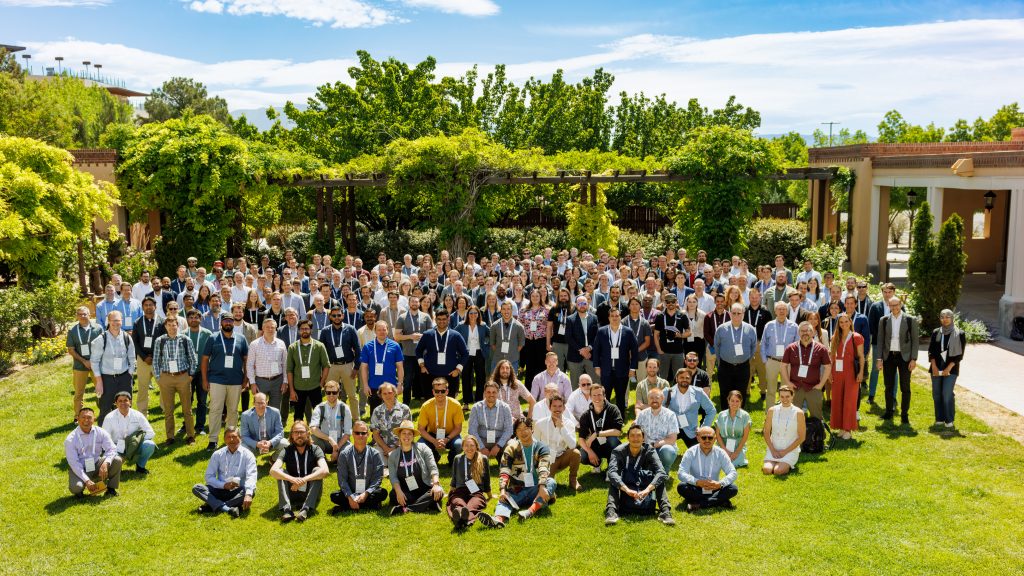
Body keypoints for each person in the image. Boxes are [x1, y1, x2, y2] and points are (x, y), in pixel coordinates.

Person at [478, 418, 555, 527]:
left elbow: (544, 468)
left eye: (526, 428)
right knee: (505, 498)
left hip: (536, 488)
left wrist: (542, 487)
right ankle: (498, 519)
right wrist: (503, 490)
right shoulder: (511, 448)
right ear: (515, 433)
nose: (523, 432)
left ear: (532, 429)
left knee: (551, 482)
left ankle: (530, 511)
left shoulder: (541, 447)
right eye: (519, 429)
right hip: (518, 489)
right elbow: (504, 470)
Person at [604, 424, 675, 525]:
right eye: (632, 435)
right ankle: (611, 512)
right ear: (627, 438)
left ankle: (665, 512)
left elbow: (661, 472)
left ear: (643, 438)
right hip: (626, 484)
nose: (635, 438)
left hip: (643, 483)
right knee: (614, 479)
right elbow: (612, 472)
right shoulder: (618, 451)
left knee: (659, 479)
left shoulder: (649, 450)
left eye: (638, 435)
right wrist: (626, 489)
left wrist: (648, 489)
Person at [202, 313, 249, 450]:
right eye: (225, 321)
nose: (228, 323)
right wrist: (205, 379)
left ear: (234, 322)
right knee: (215, 409)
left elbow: (246, 360)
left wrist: (245, 378)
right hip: (216, 379)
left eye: (230, 320)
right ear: (221, 323)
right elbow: (205, 360)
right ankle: (213, 439)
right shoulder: (212, 338)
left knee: (233, 410)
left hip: (236, 380)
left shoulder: (241, 339)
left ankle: (231, 438)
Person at [152, 315, 199, 445]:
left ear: (178, 326)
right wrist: (158, 377)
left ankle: (190, 435)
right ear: (165, 326)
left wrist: (190, 376)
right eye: (169, 325)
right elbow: (155, 361)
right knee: (168, 410)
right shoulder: (160, 341)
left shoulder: (185, 339)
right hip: (166, 377)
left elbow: (193, 360)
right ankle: (170, 437)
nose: (172, 328)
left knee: (187, 409)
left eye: (174, 325)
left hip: (183, 376)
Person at [270, 421, 329, 522]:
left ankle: (305, 509)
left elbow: (325, 471)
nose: (299, 435)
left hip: (310, 492)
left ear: (307, 433)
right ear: (292, 435)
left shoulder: (315, 449)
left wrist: (304, 480)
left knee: (318, 470)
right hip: (292, 490)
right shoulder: (286, 450)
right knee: (280, 471)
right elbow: (273, 471)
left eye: (302, 432)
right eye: (296, 432)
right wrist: (293, 479)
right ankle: (287, 510)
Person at [193, 426, 256, 517]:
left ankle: (212, 506)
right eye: (228, 437)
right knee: (197, 487)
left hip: (237, 491)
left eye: (234, 437)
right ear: (224, 440)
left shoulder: (248, 455)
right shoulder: (217, 454)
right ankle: (228, 508)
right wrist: (223, 485)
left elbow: (252, 476)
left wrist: (248, 494)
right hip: (219, 489)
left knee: (250, 491)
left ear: (240, 438)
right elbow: (209, 476)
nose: (231, 440)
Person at [387, 420, 445, 515]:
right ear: (399, 436)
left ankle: (406, 508)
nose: (406, 436)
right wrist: (398, 491)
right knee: (393, 495)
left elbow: (433, 468)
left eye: (409, 434)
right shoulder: (393, 455)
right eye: (404, 433)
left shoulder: (423, 448)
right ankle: (429, 504)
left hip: (425, 488)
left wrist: (436, 484)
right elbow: (393, 477)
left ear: (413, 436)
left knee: (438, 492)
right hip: (407, 491)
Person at [877, 296, 920, 424]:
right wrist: (879, 359)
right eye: (891, 305)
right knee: (888, 386)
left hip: (905, 357)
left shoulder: (910, 320)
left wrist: (913, 359)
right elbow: (880, 341)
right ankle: (889, 412)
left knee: (905, 387)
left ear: (900, 305)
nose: (894, 308)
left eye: (896, 305)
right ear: (888, 306)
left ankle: (904, 414)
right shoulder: (883, 320)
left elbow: (915, 341)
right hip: (889, 356)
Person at [330, 421, 388, 513]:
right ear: (353, 434)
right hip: (351, 491)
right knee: (334, 496)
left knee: (383, 493)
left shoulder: (375, 454)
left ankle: (348, 506)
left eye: (363, 433)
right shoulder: (344, 454)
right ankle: (369, 505)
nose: (360, 435)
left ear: (368, 434)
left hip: (368, 492)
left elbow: (378, 478)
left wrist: (366, 494)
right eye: (357, 433)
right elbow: (342, 479)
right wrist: (350, 496)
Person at [677, 426, 739, 511]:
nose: (707, 440)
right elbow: (681, 473)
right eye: (703, 437)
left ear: (715, 439)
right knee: (682, 486)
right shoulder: (690, 452)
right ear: (698, 438)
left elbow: (733, 472)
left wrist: (720, 484)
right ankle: (719, 501)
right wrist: (696, 482)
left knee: (733, 488)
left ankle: (698, 504)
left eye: (710, 438)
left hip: (715, 487)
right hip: (696, 487)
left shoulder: (721, 453)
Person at [90, 310, 136, 423]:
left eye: (118, 321)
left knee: (125, 408)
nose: (116, 323)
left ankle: (124, 436)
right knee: (105, 410)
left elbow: (131, 358)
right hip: (107, 379)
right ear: (109, 321)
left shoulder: (126, 337)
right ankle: (103, 437)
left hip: (124, 377)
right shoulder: (101, 339)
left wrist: (129, 374)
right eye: (113, 321)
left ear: (122, 321)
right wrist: (99, 381)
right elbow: (94, 361)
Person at [66, 407, 122, 497]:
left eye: (89, 417)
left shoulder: (100, 432)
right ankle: (80, 491)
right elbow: (74, 463)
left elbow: (112, 449)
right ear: (78, 419)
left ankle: (111, 489)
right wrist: (86, 480)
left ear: (94, 419)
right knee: (76, 487)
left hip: (96, 464)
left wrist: (106, 463)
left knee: (117, 460)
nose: (86, 420)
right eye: (83, 417)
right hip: (80, 468)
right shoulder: (70, 439)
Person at [318, 306, 362, 421]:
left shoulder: (351, 329)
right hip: (331, 366)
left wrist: (356, 368)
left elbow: (358, 349)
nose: (337, 317)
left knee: (352, 395)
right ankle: (333, 418)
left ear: (343, 315)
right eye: (334, 315)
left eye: (339, 315)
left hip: (348, 365)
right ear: (330, 317)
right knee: (331, 394)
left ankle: (356, 419)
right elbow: (321, 352)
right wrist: (323, 369)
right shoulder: (325, 331)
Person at [781, 321, 832, 420]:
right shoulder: (790, 348)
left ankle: (817, 435)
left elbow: (828, 367)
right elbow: (783, 366)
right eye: (802, 331)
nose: (805, 333)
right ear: (798, 333)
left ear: (812, 333)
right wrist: (788, 382)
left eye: (808, 330)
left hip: (814, 388)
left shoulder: (821, 349)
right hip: (795, 388)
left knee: (817, 416)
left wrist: (821, 385)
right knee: (793, 417)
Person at [593, 307, 639, 415]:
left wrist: (632, 368)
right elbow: (596, 350)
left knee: (620, 397)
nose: (614, 318)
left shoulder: (628, 331)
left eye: (617, 316)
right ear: (608, 318)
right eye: (612, 316)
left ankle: (619, 419)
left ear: (620, 317)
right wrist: (596, 366)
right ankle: (605, 418)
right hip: (606, 370)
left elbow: (635, 351)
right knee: (606, 396)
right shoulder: (601, 331)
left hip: (622, 370)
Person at [416, 309, 469, 402]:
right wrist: (422, 365)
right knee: (430, 401)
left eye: (444, 319)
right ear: (435, 320)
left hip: (450, 375)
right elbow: (418, 350)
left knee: (450, 402)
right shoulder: (427, 334)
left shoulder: (456, 335)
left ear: (448, 319)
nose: (441, 321)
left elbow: (465, 353)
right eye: (439, 319)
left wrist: (458, 369)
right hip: (430, 374)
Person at [713, 303, 758, 409]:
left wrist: (744, 360)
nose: (736, 315)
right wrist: (722, 361)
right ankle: (725, 417)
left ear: (743, 314)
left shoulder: (750, 329)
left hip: (743, 367)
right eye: (734, 313)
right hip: (725, 367)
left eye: (739, 313)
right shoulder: (722, 329)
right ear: (729, 313)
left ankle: (739, 417)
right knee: (725, 393)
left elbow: (753, 347)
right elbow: (717, 346)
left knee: (741, 393)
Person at [533, 394, 581, 491]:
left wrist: (562, 428)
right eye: (554, 406)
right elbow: (534, 444)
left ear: (564, 408)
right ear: (549, 407)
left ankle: (573, 480)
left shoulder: (569, 424)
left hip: (562, 457)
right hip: (547, 459)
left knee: (576, 453)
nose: (557, 409)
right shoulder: (540, 423)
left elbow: (572, 445)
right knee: (548, 483)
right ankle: (548, 477)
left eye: (560, 406)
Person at [100, 395, 156, 476]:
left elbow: (150, 432)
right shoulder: (109, 417)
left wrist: (135, 443)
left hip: (134, 444)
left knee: (149, 445)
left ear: (130, 402)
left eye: (125, 400)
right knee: (113, 467)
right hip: (116, 446)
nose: (123, 403)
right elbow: (104, 438)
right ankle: (117, 468)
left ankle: (140, 467)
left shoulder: (138, 415)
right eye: (120, 401)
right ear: (115, 403)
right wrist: (114, 449)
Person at [286, 319, 330, 423]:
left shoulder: (319, 346)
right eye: (302, 329)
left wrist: (322, 382)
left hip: (315, 386)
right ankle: (298, 435)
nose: (304, 331)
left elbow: (326, 366)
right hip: (298, 387)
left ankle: (319, 436)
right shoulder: (292, 347)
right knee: (298, 415)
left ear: (311, 330)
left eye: (306, 328)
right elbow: (289, 370)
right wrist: (291, 390)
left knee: (318, 414)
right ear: (298, 331)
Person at [830, 314, 865, 440]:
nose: (843, 324)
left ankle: (848, 429)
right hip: (837, 372)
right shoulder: (835, 337)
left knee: (849, 400)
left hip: (851, 372)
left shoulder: (857, 337)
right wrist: (829, 372)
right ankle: (840, 427)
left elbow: (861, 356)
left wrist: (861, 372)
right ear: (838, 324)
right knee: (837, 399)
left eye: (846, 321)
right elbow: (832, 356)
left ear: (850, 322)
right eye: (841, 322)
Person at [929, 309, 966, 429]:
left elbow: (959, 356)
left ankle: (949, 419)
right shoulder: (936, 332)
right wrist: (934, 366)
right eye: (942, 317)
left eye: (947, 317)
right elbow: (931, 351)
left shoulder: (959, 334)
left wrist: (948, 368)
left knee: (946, 393)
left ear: (952, 318)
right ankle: (939, 418)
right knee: (936, 394)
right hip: (936, 367)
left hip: (951, 368)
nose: (944, 319)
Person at [447, 435, 493, 529]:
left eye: (472, 445)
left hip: (476, 492)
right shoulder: (457, 458)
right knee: (457, 502)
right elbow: (454, 480)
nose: (469, 448)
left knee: (474, 504)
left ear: (476, 446)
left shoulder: (483, 459)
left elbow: (486, 480)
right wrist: (449, 494)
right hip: (460, 491)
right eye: (466, 445)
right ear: (462, 447)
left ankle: (461, 520)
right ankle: (460, 516)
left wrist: (489, 496)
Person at [359, 321, 404, 415]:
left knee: (392, 414)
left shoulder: (395, 346)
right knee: (375, 415)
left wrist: (400, 384)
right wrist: (365, 385)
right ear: (375, 331)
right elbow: (364, 368)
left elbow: (400, 367)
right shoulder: (368, 346)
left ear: (388, 331)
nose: (382, 332)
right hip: (374, 386)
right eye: (379, 330)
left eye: (384, 329)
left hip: (391, 387)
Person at [246, 318, 288, 418]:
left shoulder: (281, 343)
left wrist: (285, 381)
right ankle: (260, 430)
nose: (270, 329)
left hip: (277, 381)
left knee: (275, 409)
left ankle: (274, 430)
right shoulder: (254, 344)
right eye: (267, 327)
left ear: (276, 329)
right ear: (263, 328)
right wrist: (252, 383)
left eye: (272, 327)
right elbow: (250, 364)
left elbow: (285, 364)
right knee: (259, 408)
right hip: (261, 381)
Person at [577, 384, 624, 474]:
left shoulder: (613, 409)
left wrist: (597, 434)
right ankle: (596, 464)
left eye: (599, 395)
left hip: (609, 443)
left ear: (604, 396)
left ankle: (611, 468)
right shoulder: (586, 415)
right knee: (582, 455)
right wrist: (589, 451)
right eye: (594, 395)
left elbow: (618, 432)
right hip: (595, 445)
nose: (597, 398)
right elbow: (581, 439)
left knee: (613, 440)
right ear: (590, 397)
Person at [67, 306, 102, 422]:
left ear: (89, 315)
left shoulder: (98, 328)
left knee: (101, 389)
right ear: (77, 316)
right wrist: (84, 361)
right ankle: (77, 416)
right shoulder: (72, 331)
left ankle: (104, 412)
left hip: (96, 364)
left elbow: (103, 346)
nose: (82, 316)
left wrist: (93, 361)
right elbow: (71, 349)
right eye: (80, 314)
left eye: (84, 314)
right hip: (80, 366)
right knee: (78, 392)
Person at [760, 301, 799, 406]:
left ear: (787, 311)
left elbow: (797, 346)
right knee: (771, 389)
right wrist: (765, 361)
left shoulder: (794, 326)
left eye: (784, 309)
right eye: (779, 309)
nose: (781, 311)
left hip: (788, 363)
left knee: (786, 390)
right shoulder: (769, 325)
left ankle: (785, 411)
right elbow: (763, 343)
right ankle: (770, 413)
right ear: (775, 311)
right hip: (772, 361)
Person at [417, 377, 465, 463]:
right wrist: (434, 441)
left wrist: (447, 439)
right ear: (433, 392)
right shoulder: (426, 406)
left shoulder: (456, 405)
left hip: (450, 435)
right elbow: (420, 429)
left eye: (442, 391)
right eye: (437, 391)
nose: (440, 393)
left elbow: (458, 428)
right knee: (420, 445)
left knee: (459, 445)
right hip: (432, 435)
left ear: (447, 391)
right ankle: (434, 456)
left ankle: (452, 460)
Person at [396, 296, 432, 404]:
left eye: (416, 301)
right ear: (409, 303)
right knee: (407, 381)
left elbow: (431, 335)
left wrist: (422, 336)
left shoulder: (426, 317)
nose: (415, 303)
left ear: (419, 303)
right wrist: (410, 336)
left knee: (425, 380)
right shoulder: (402, 317)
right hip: (408, 355)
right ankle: (406, 405)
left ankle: (427, 404)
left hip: (423, 355)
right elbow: (397, 336)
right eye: (412, 301)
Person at [762, 385, 806, 476]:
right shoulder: (772, 410)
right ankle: (774, 462)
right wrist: (772, 450)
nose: (784, 399)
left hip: (790, 450)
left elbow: (802, 437)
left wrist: (785, 452)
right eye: (782, 396)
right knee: (767, 470)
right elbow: (766, 432)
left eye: (787, 396)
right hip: (773, 448)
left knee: (778, 471)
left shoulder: (799, 413)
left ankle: (785, 464)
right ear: (779, 396)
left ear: (792, 396)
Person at [634, 388, 679, 473]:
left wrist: (654, 445)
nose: (654, 400)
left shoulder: (670, 415)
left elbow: (672, 439)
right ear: (648, 400)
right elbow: (637, 434)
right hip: (646, 448)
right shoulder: (642, 414)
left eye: (657, 398)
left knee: (667, 451)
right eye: (651, 398)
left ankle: (664, 471)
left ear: (662, 399)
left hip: (663, 447)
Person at [467, 381, 514, 461]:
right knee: (470, 443)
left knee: (512, 444)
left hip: (500, 439)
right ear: (484, 393)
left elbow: (509, 430)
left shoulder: (505, 408)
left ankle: (504, 462)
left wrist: (498, 446)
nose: (491, 394)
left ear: (498, 393)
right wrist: (481, 447)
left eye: (494, 392)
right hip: (482, 439)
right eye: (488, 392)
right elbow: (472, 430)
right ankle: (476, 463)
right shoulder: (476, 407)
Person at [309, 380, 353, 461]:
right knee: (313, 441)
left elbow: (347, 433)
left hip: (340, 440)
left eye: (334, 392)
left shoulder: (344, 408)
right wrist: (329, 439)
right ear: (325, 393)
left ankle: (338, 460)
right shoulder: (319, 407)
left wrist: (336, 449)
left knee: (349, 451)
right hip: (323, 440)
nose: (331, 395)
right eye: (328, 393)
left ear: (338, 392)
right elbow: (313, 428)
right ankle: (321, 459)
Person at [184, 310, 212, 437]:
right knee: (187, 400)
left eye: (196, 317)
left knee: (202, 400)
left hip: (202, 372)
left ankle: (200, 426)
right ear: (187, 319)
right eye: (191, 317)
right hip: (187, 372)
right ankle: (186, 425)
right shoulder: (183, 334)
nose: (194, 319)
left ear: (200, 319)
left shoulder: (207, 334)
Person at [369, 382, 412, 463]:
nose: (388, 396)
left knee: (402, 465)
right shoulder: (377, 411)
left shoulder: (404, 409)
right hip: (382, 447)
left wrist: (394, 448)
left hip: (402, 445)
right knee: (377, 463)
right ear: (380, 395)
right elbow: (375, 434)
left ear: (395, 393)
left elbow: (408, 432)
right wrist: (386, 449)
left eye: (390, 393)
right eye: (384, 394)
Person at [455, 306, 489, 404]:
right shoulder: (461, 325)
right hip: (466, 353)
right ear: (467, 314)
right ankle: (466, 401)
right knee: (466, 377)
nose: (473, 315)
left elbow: (491, 334)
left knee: (480, 377)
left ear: (478, 314)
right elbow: (453, 335)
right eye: (471, 313)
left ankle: (479, 401)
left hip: (479, 353)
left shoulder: (483, 325)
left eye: (475, 313)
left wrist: (486, 344)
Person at [653, 294, 692, 380]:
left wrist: (680, 335)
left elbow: (689, 332)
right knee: (662, 376)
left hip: (678, 352)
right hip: (664, 352)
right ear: (665, 303)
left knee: (679, 376)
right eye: (668, 302)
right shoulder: (660, 316)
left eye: (673, 301)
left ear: (676, 302)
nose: (670, 303)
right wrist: (659, 350)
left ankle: (677, 392)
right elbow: (656, 334)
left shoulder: (682, 315)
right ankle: (662, 393)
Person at [240, 392, 287, 457]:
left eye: (262, 403)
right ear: (253, 403)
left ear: (266, 403)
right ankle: (251, 462)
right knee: (241, 447)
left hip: (270, 443)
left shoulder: (275, 412)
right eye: (258, 403)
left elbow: (280, 433)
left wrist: (270, 442)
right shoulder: (245, 415)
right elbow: (244, 436)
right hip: (254, 444)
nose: (260, 405)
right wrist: (257, 444)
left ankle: (273, 459)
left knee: (285, 444)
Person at [565, 296, 599, 385]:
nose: (582, 306)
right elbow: (568, 338)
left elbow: (597, 336)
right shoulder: (570, 319)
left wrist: (589, 348)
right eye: (579, 304)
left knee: (595, 383)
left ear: (588, 305)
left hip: (591, 355)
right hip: (575, 356)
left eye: (584, 303)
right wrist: (582, 350)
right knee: (575, 384)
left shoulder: (594, 318)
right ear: (576, 305)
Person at [519, 288, 550, 386]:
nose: (535, 298)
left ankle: (541, 387)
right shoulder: (524, 310)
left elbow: (550, 327)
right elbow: (520, 326)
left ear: (540, 297)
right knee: (530, 365)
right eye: (533, 296)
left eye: (537, 296)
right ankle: (529, 387)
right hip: (528, 341)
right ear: (530, 297)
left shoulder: (546, 310)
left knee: (541, 365)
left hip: (541, 340)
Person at [715, 390, 752, 467]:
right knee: (719, 462)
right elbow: (717, 435)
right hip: (723, 445)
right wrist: (725, 450)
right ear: (728, 401)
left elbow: (745, 436)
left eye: (737, 401)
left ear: (741, 402)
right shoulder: (721, 415)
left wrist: (736, 452)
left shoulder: (745, 416)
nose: (734, 403)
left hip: (738, 446)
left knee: (734, 463)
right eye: (732, 401)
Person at [490, 301, 526, 375]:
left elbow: (521, 344)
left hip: (513, 360)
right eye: (504, 309)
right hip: (497, 359)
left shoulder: (519, 326)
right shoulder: (494, 325)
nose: (506, 311)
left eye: (508, 309)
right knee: (495, 383)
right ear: (501, 311)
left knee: (512, 384)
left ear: (512, 310)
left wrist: (512, 352)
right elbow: (492, 344)